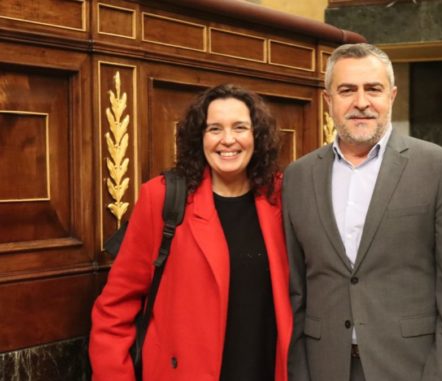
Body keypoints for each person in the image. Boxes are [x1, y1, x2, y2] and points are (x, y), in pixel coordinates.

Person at [283, 43, 442, 381]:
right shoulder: (298, 177)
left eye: (373, 89)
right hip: (326, 366)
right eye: (347, 90)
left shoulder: (438, 168)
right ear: (328, 101)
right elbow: (296, 292)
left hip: (409, 368)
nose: (361, 102)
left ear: (392, 95)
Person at [89, 84, 292, 380]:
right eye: (214, 129)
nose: (227, 140)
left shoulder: (282, 196)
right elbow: (115, 308)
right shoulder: (162, 198)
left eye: (240, 127)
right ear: (200, 138)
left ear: (256, 136)